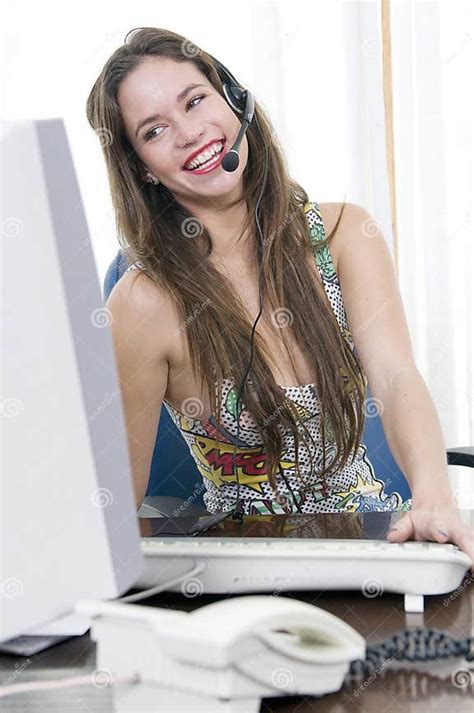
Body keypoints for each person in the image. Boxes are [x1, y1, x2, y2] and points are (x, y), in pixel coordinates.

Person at [86, 26, 474, 569]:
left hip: (380, 551)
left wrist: (435, 495)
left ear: (235, 100)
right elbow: (110, 515)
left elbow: (395, 375)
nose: (189, 132)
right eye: (154, 131)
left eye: (195, 100)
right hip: (242, 573)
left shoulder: (345, 235)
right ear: (142, 171)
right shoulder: (144, 302)